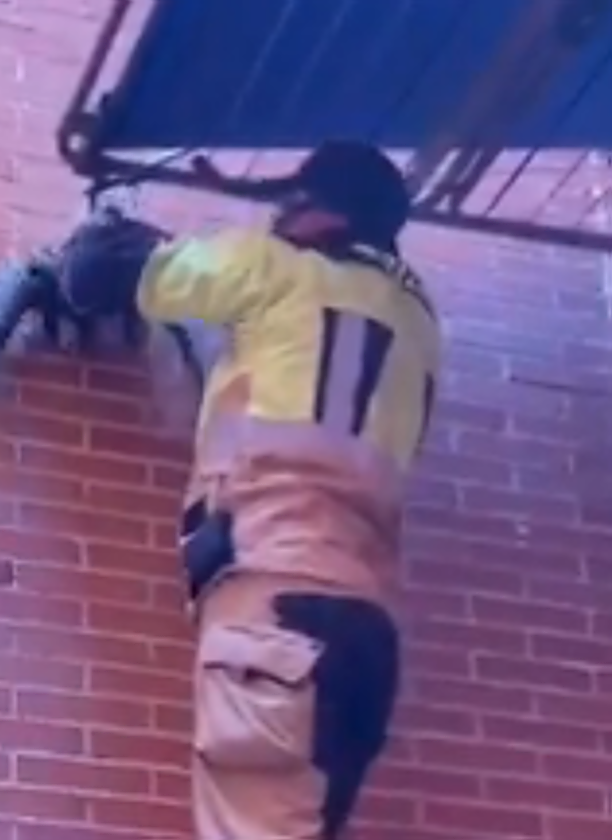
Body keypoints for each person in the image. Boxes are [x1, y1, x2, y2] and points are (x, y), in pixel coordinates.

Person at [84, 141, 443, 839]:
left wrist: (110, 237)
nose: (278, 218)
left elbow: (122, 270)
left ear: (322, 215)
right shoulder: (421, 327)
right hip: (367, 633)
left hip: (276, 606)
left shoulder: (276, 268)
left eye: (288, 206)